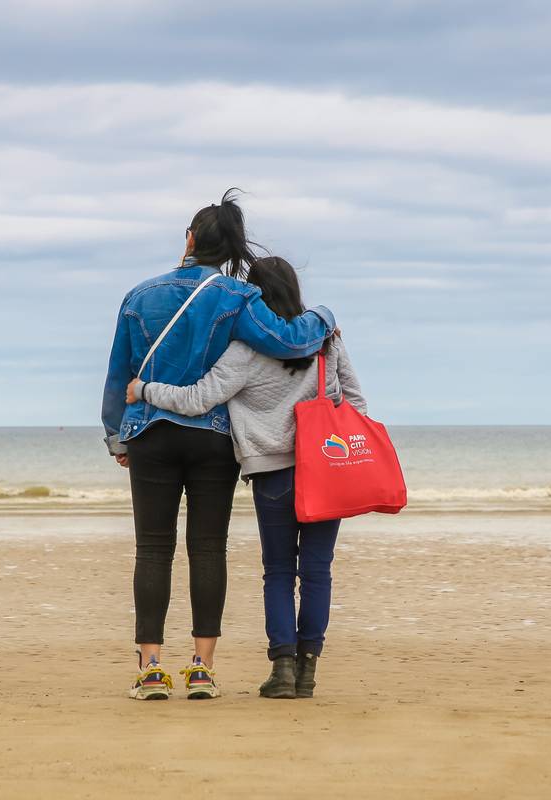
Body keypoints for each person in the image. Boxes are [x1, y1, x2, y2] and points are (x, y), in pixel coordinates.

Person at [101, 192, 335, 701]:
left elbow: (119, 370)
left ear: (189, 239)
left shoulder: (139, 295)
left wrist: (118, 433)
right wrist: (324, 316)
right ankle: (202, 668)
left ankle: (150, 668)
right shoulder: (237, 297)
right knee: (207, 548)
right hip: (210, 436)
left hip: (149, 431)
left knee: (153, 549)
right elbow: (289, 342)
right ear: (230, 248)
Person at [127, 256, 365, 699]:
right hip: (326, 470)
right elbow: (356, 401)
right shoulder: (326, 341)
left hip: (273, 471)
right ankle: (309, 666)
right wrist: (333, 441)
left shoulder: (245, 350)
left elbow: (199, 399)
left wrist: (144, 390)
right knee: (317, 570)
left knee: (277, 571)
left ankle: (283, 670)